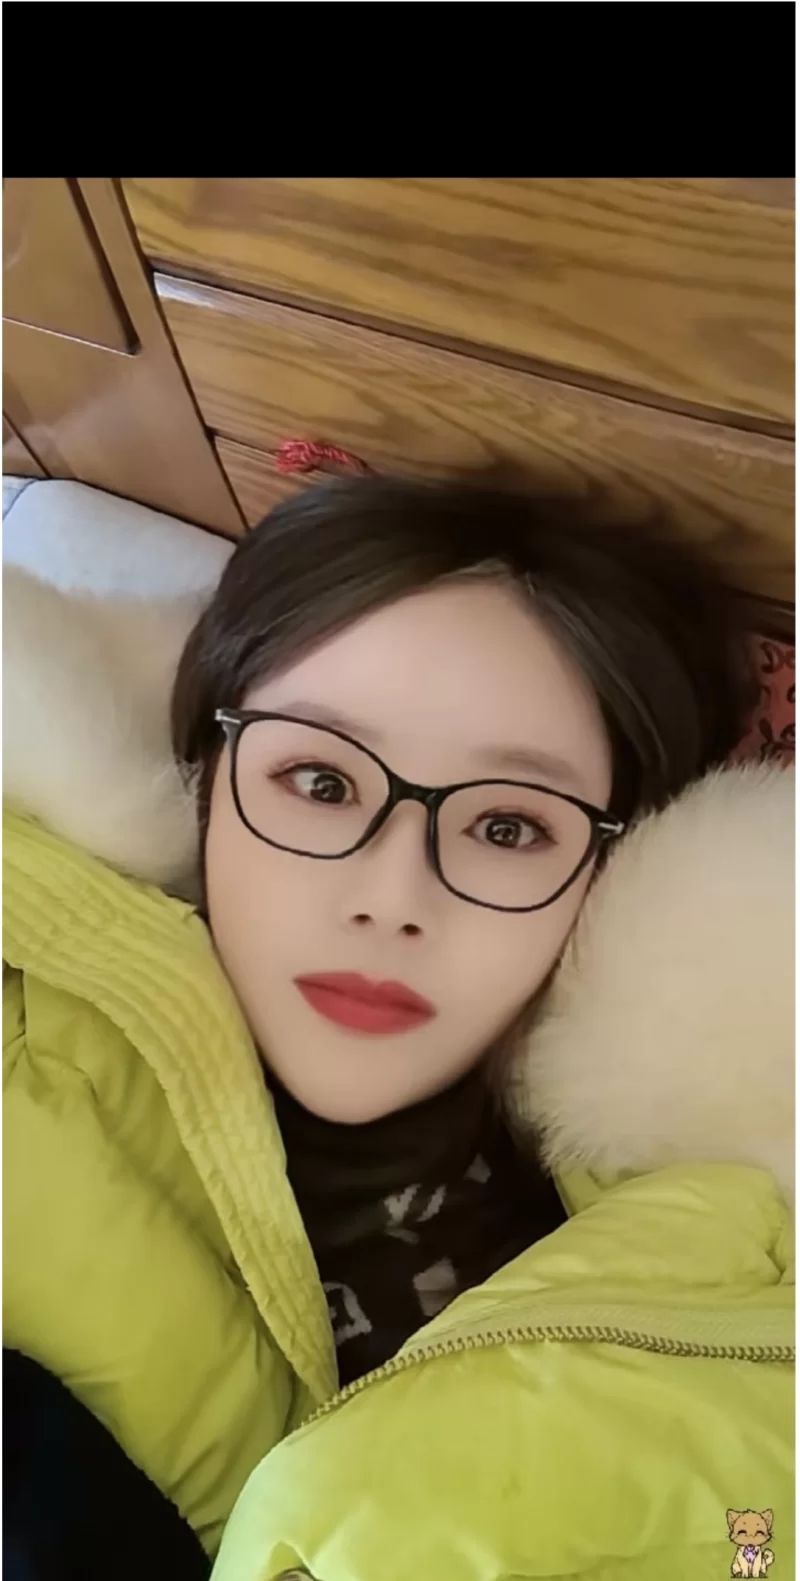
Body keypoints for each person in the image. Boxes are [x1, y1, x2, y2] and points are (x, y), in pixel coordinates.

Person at [3, 478, 789, 1580]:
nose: (390, 898)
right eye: (320, 781)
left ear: (616, 871)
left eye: (506, 826)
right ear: (201, 777)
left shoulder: (735, 1241)